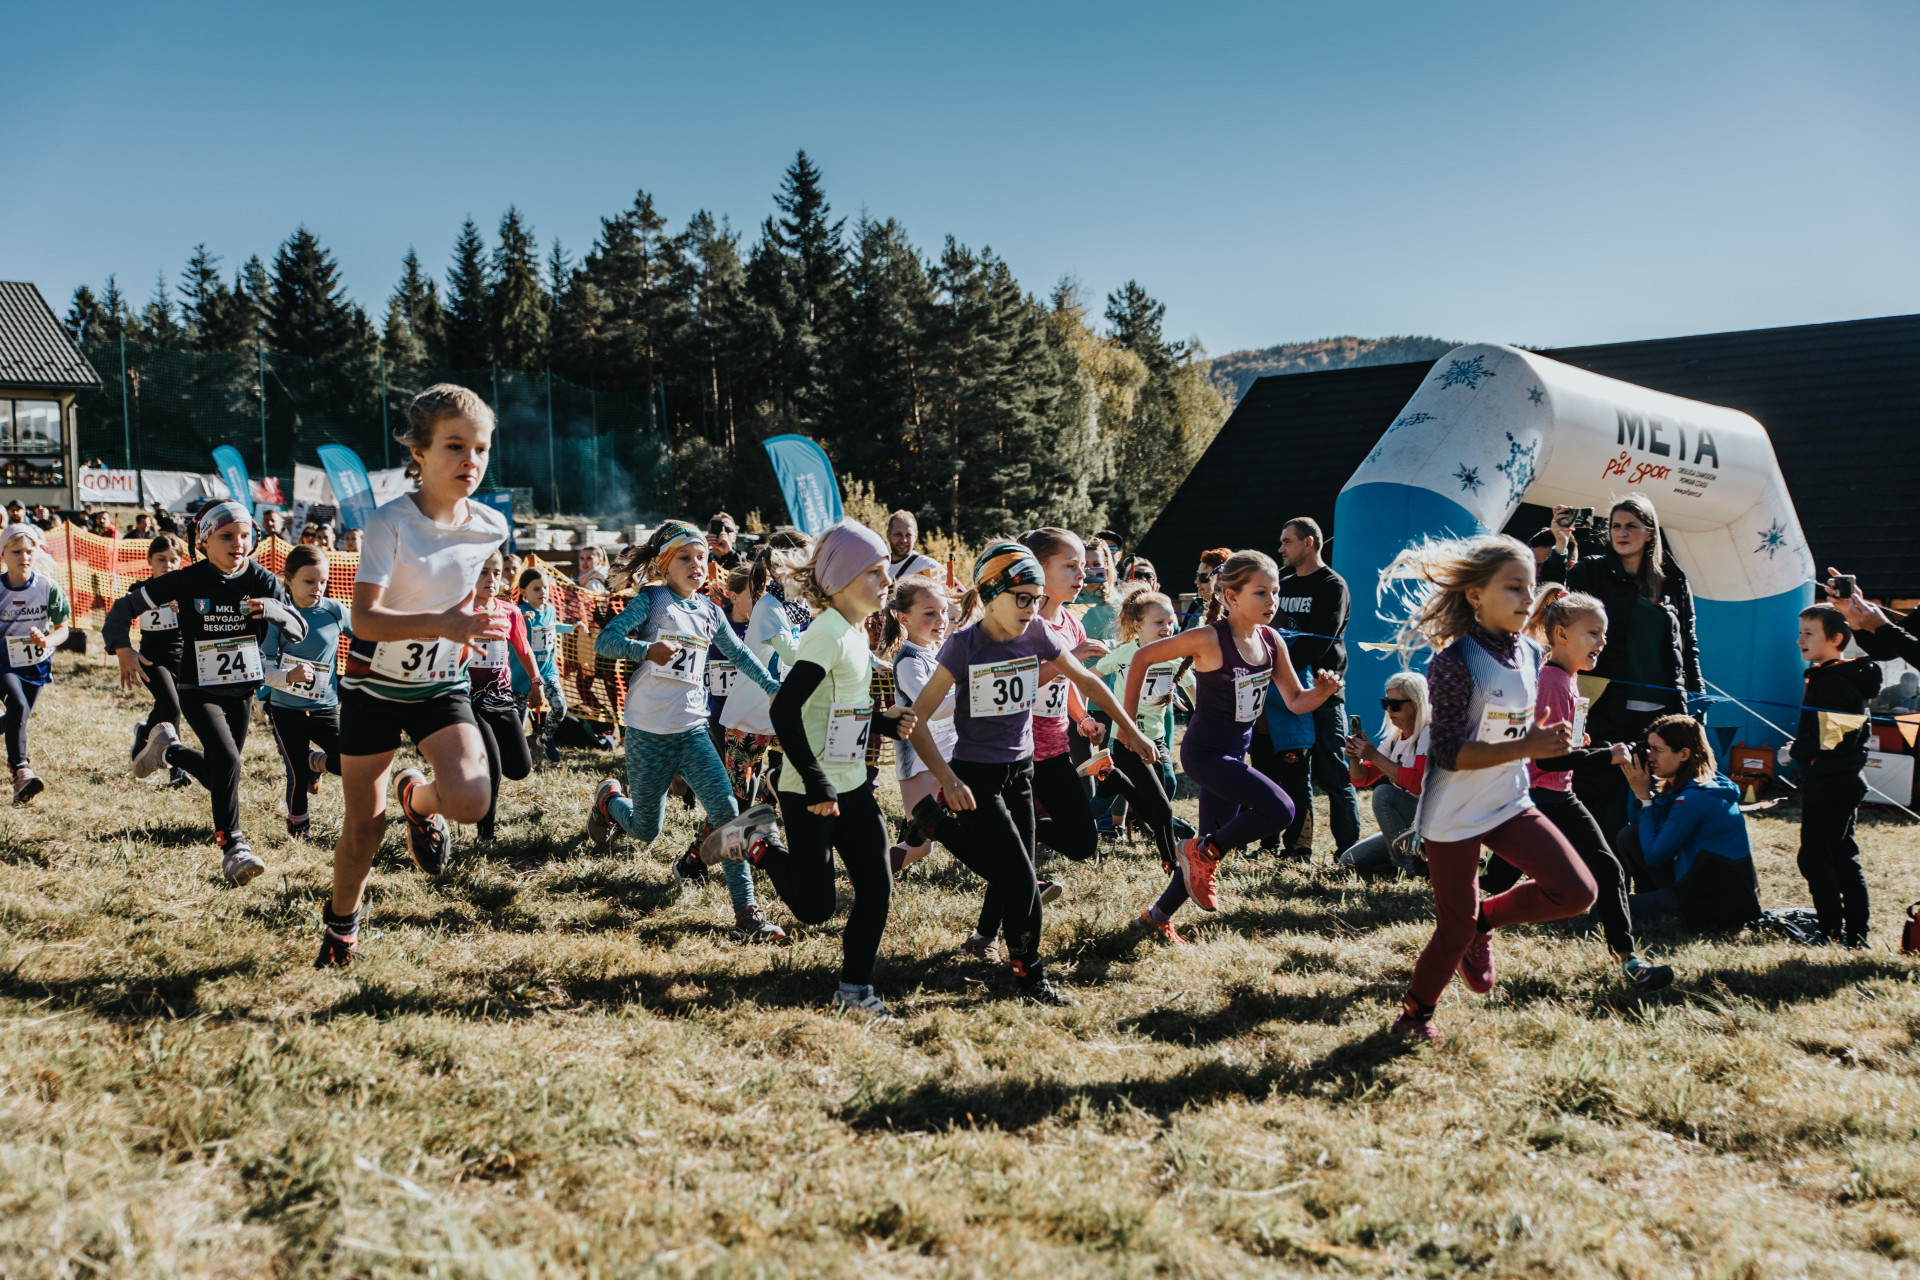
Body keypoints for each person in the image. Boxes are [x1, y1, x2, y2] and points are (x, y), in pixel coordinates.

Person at [901, 542, 1160, 1005]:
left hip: (1022, 772)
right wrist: (948, 779)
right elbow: (915, 722)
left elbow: (1088, 680)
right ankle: (1030, 977)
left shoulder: (1037, 631)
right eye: (1022, 597)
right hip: (975, 777)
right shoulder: (964, 645)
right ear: (990, 593)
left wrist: (1132, 733)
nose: (1031, 607)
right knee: (1022, 881)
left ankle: (1013, 959)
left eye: (1036, 597)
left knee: (1018, 874)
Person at [315, 385, 511, 967]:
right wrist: (443, 623)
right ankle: (341, 922)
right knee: (363, 827)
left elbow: (465, 591)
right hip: (372, 687)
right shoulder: (389, 522)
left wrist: (480, 619)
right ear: (419, 453)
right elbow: (365, 621)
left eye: (480, 449)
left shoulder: (491, 527)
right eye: (454, 446)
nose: (470, 461)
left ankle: (417, 799)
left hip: (440, 686)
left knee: (473, 800)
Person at [1382, 533, 1597, 1043]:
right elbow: (1450, 754)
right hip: (1451, 812)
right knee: (1452, 930)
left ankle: (1485, 921)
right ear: (1476, 595)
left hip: (1509, 801)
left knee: (1577, 891)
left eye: (1531, 588)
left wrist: (1551, 737)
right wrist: (1529, 745)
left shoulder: (1529, 651)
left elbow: (1516, 725)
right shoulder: (1454, 663)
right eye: (1515, 588)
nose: (1529, 600)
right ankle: (1414, 1017)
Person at [586, 520, 788, 942]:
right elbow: (605, 642)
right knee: (646, 829)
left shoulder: (711, 611)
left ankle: (746, 914)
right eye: (686, 557)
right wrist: (647, 650)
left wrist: (773, 689)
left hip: (694, 730)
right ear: (664, 564)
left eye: (701, 557)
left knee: (727, 817)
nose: (698, 564)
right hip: (647, 732)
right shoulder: (652, 601)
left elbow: (743, 657)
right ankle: (610, 802)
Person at [1120, 551, 1343, 932]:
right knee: (1282, 810)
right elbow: (1141, 659)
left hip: (1234, 755)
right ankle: (1199, 851)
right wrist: (1128, 726)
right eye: (1261, 593)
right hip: (1204, 754)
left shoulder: (1272, 641)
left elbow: (1295, 700)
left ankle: (1156, 917)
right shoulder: (1209, 638)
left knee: (1209, 853)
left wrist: (1322, 692)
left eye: (1275, 593)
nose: (1271, 602)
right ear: (1232, 596)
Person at [753, 521, 917, 1014]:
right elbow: (785, 709)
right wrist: (817, 780)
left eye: (887, 572)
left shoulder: (853, 629)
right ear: (841, 580)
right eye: (875, 572)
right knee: (815, 907)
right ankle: (760, 845)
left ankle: (853, 991)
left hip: (854, 784)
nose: (886, 583)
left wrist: (882, 723)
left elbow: (840, 706)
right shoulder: (825, 634)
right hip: (811, 788)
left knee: (876, 887)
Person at [1479, 586, 1675, 990]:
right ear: (1562, 635)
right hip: (1546, 795)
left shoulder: (1565, 679)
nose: (1602, 643)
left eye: (1604, 634)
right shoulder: (1553, 679)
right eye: (1593, 634)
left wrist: (1577, 746)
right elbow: (1548, 762)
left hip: (1539, 794)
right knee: (1607, 868)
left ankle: (1456, 904)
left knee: (1495, 880)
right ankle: (1629, 962)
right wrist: (1609, 754)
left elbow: (1552, 750)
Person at [109, 501, 310, 886]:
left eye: (245, 536)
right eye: (226, 536)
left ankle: (167, 750)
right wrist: (122, 646)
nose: (238, 544)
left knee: (222, 769)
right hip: (198, 688)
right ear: (203, 541)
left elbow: (297, 628)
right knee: (230, 760)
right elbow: (125, 608)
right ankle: (233, 848)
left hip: (242, 690)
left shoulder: (263, 580)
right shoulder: (187, 579)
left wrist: (273, 608)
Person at [1543, 496, 1704, 843]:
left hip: (1661, 712)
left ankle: (1638, 884)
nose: (1622, 532)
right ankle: (1597, 883)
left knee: (1652, 804)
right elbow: (1552, 600)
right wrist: (1559, 546)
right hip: (1603, 706)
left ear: (1650, 532)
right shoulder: (1592, 570)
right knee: (1600, 802)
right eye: (1616, 525)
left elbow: (1688, 644)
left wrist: (1696, 701)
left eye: (1631, 525)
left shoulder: (1673, 578)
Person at [1091, 589, 1192, 939]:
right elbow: (1092, 675)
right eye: (1158, 622)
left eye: (1170, 622)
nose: (1167, 628)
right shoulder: (1125, 654)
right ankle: (1169, 858)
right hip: (1126, 741)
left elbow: (1196, 688)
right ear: (1138, 626)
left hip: (1158, 739)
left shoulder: (1175, 656)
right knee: (1160, 810)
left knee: (1168, 788)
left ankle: (1114, 782)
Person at [1613, 714, 1763, 932]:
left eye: (1657, 749)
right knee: (1629, 836)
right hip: (1697, 885)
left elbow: (1655, 855)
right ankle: (1653, 901)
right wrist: (1636, 783)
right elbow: (1639, 826)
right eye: (1649, 748)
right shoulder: (1694, 783)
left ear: (1684, 754)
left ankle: (1667, 911)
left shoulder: (1696, 797)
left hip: (1712, 902)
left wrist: (1644, 797)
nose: (1649, 756)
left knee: (1604, 910)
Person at [1788, 603, 1881, 946]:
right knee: (1842, 858)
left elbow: (1833, 736)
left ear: (1836, 639)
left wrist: (1795, 750)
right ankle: (1855, 936)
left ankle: (1830, 932)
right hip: (1829, 779)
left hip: (1833, 783)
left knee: (1813, 858)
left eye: (1809, 633)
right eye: (1800, 632)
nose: (1800, 639)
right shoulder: (1825, 676)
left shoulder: (1838, 681)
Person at [1274, 516, 1361, 858]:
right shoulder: (1282, 583)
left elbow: (1320, 642)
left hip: (1325, 693)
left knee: (1334, 776)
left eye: (1287, 541)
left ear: (1308, 543)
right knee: (1296, 774)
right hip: (1286, 694)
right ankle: (1298, 849)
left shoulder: (1332, 585)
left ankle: (1349, 852)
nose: (1280, 549)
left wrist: (1282, 669)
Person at [259, 545, 351, 840]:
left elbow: (364, 639)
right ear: (288, 579)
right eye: (309, 581)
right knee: (296, 773)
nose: (318, 588)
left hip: (325, 708)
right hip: (285, 708)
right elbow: (261, 666)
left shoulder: (334, 610)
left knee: (349, 762)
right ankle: (300, 830)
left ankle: (317, 762)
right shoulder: (278, 615)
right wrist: (288, 676)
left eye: (322, 581)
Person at [467, 549, 542, 844]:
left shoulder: (509, 611)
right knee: (493, 768)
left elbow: (523, 649)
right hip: (469, 701)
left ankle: (460, 778)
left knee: (519, 768)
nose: (491, 579)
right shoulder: (459, 611)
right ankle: (486, 835)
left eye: (496, 573)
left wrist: (536, 683)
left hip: (502, 699)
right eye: (483, 572)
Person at [885, 576, 954, 872]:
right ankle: (870, 873)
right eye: (930, 613)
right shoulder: (909, 661)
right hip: (920, 761)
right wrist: (976, 693)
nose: (941, 619)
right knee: (920, 844)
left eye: (944, 611)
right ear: (904, 619)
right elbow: (933, 709)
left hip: (950, 754)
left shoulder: (937, 652)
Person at [0, 523, 72, 803]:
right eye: (16, 551)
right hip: (3, 664)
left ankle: (20, 773)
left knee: (17, 719)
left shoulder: (47, 587)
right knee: (17, 707)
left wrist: (47, 641)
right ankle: (21, 771)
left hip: (37, 666)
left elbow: (62, 628)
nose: (24, 557)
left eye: (29, 551)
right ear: (3, 554)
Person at [1337, 671, 1430, 880]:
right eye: (1385, 703)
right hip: (1412, 826)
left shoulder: (1429, 734)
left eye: (1395, 705)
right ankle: (1420, 865)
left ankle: (1404, 871)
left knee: (1384, 794)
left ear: (1417, 703)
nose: (1389, 710)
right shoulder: (1396, 738)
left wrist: (1373, 755)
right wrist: (1355, 758)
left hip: (1433, 824)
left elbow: (1417, 785)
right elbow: (1361, 779)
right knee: (1348, 861)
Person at [125, 534, 192, 789]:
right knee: (172, 707)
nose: (167, 565)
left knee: (168, 705)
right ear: (149, 561)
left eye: (173, 560)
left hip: (181, 658)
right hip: (151, 659)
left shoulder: (185, 591)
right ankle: (177, 766)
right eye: (161, 560)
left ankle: (145, 733)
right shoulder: (139, 589)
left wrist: (182, 609)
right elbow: (125, 614)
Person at [512, 566, 573, 763]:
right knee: (518, 726)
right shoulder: (517, 612)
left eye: (545, 587)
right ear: (523, 592)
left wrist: (572, 627)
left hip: (547, 671)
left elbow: (553, 627)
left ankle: (545, 738)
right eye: (536, 589)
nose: (543, 592)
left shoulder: (551, 610)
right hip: (522, 677)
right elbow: (503, 629)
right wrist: (519, 619)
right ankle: (516, 757)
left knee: (560, 706)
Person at [1179, 547, 1231, 632]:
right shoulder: (1197, 603)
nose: (1196, 582)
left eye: (1203, 577)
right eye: (1197, 575)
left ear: (1220, 580)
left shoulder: (1232, 613)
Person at [884, 510, 940, 581]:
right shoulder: (880, 566)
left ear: (915, 537)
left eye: (908, 535)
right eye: (898, 534)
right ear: (888, 535)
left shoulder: (926, 565)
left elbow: (956, 588)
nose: (904, 540)